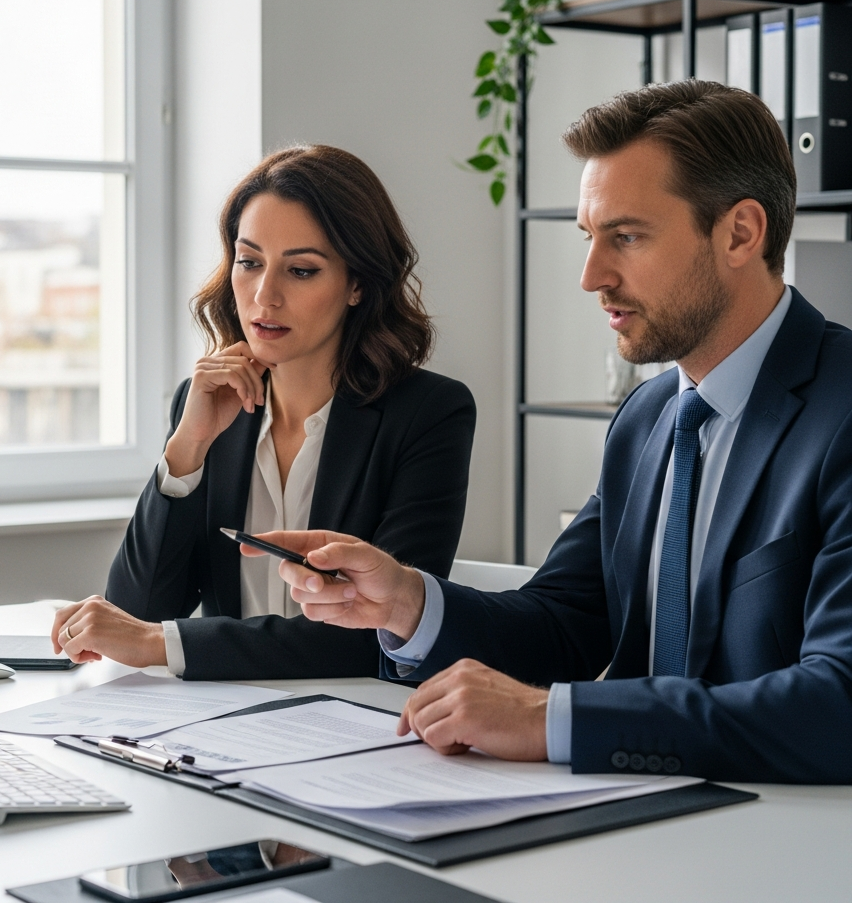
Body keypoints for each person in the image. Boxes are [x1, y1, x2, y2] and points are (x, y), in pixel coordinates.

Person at [270, 81, 852, 783]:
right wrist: (406, 601)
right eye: (589, 237)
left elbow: (838, 702)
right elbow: (565, 624)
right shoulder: (648, 418)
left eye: (626, 237)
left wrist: (554, 720)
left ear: (740, 233)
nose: (590, 276)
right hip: (634, 810)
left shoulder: (840, 412)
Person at [51, 145, 476, 679]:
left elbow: (375, 635)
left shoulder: (429, 414)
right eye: (249, 262)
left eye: (300, 270)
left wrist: (160, 642)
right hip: (223, 713)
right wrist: (186, 450)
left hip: (357, 712)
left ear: (358, 285)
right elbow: (139, 610)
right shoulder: (204, 404)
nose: (264, 296)